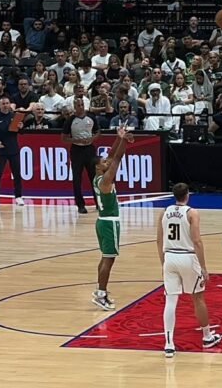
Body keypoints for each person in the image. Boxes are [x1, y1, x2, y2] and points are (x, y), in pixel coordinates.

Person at [157, 182, 222, 357]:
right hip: (187, 256)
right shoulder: (192, 213)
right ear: (187, 195)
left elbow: (158, 240)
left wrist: (163, 262)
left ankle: (169, 344)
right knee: (198, 298)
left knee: (170, 301)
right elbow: (197, 241)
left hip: (169, 256)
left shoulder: (163, 212)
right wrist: (203, 267)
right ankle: (207, 336)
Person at [91, 125, 133, 310]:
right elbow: (117, 158)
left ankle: (101, 291)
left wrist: (119, 138)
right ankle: (101, 294)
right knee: (109, 259)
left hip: (102, 222)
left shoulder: (97, 177)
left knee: (105, 258)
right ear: (98, 168)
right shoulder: (106, 181)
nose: (106, 162)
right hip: (109, 223)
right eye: (103, 162)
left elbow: (111, 155)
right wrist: (125, 141)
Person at [62, 97, 101, 214]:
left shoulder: (91, 117)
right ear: (74, 107)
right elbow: (63, 138)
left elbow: (98, 132)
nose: (81, 107)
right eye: (78, 105)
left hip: (89, 149)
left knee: (95, 177)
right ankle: (80, 205)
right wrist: (75, 140)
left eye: (82, 104)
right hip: (77, 150)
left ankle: (99, 202)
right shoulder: (70, 120)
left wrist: (91, 138)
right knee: (77, 179)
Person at [0, 97, 25, 206]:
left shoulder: (14, 117)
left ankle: (18, 196)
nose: (5, 105)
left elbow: (21, 132)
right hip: (0, 151)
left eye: (7, 103)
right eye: (3, 103)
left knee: (17, 174)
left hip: (13, 150)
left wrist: (21, 127)